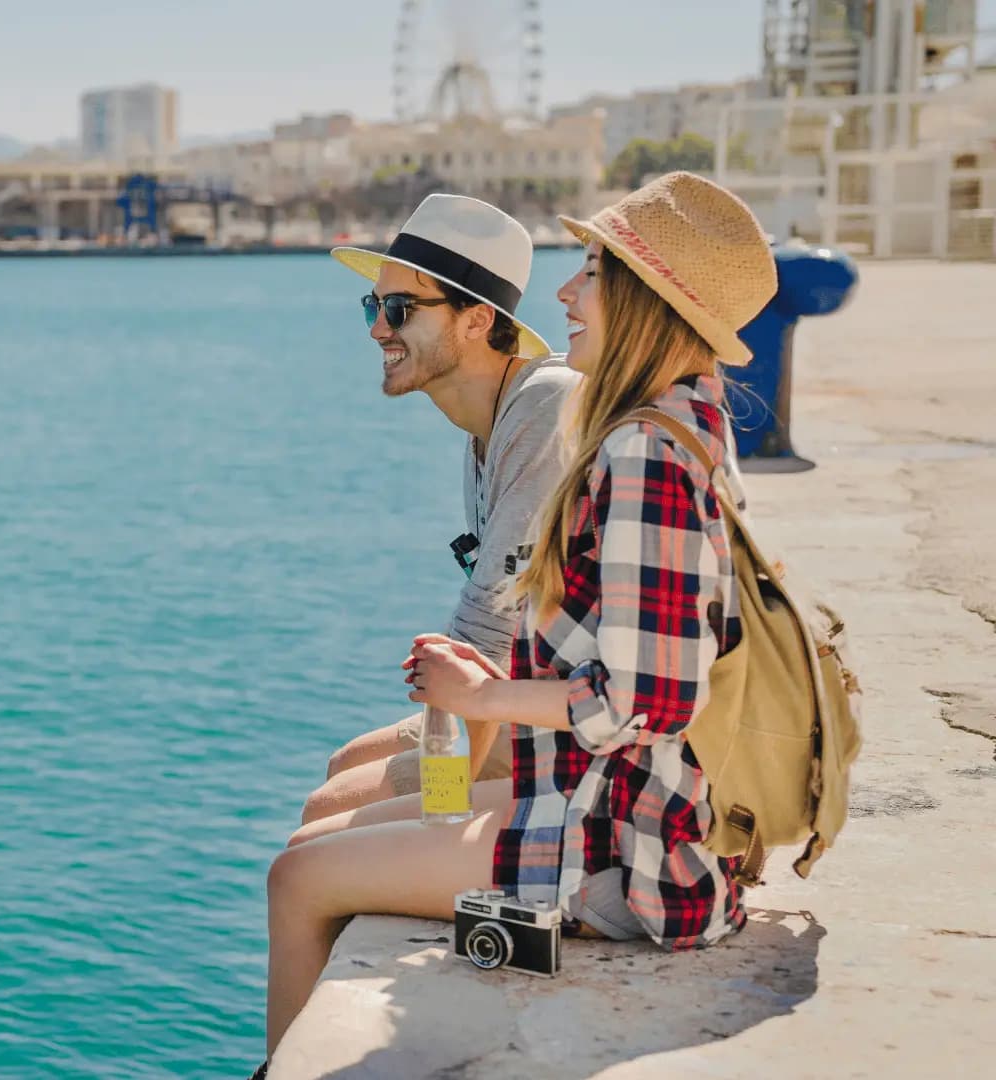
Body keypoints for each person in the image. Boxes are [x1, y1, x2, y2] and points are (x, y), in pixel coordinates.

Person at [260, 172, 779, 1060]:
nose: (568, 293)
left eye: (593, 273)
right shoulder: (670, 424)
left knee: (300, 876)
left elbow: (650, 700)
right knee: (332, 814)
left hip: (628, 847)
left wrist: (481, 709)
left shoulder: (636, 449)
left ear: (649, 301)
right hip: (612, 799)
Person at [304, 194, 578, 833]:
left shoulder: (542, 409)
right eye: (373, 305)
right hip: (534, 699)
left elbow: (488, 639)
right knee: (345, 765)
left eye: (398, 308)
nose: (377, 328)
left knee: (326, 820)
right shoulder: (486, 430)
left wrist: (440, 809)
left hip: (588, 724)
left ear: (476, 320)